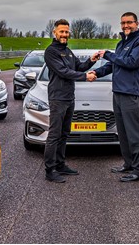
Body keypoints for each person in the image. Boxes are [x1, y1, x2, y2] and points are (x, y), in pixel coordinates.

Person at [90, 12, 139, 182]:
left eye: (129, 23)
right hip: (118, 92)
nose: (126, 26)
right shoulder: (121, 44)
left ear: (137, 23)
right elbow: (113, 65)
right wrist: (96, 72)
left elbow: (131, 62)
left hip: (131, 93)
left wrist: (108, 53)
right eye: (123, 23)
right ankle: (129, 163)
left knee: (135, 133)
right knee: (123, 132)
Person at [44, 19, 99, 183]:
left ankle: (60, 165)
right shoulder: (51, 52)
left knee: (64, 133)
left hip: (69, 97)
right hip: (57, 98)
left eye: (66, 32)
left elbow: (79, 67)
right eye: (61, 32)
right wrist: (85, 77)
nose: (64, 34)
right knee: (54, 135)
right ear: (54, 32)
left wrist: (91, 60)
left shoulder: (67, 51)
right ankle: (50, 170)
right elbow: (63, 72)